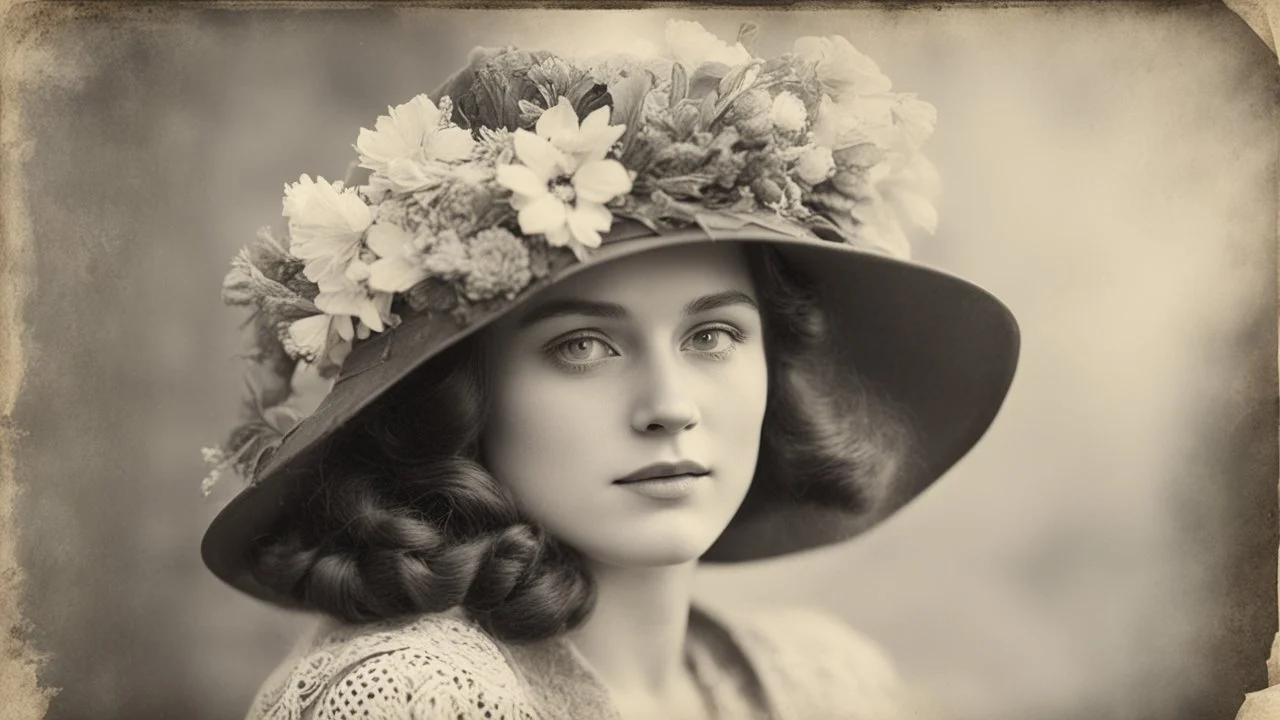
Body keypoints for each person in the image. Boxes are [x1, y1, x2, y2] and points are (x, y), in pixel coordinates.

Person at [200, 19, 1019, 720]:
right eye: (582, 347)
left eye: (712, 337)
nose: (670, 407)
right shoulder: (417, 697)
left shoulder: (826, 686)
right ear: (464, 396)